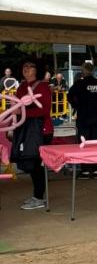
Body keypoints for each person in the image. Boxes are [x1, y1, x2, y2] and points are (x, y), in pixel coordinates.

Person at [14, 58, 53, 210]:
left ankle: (39, 197)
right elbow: (16, 108)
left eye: (31, 66)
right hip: (26, 130)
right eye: (25, 66)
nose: (27, 68)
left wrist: (22, 112)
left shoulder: (42, 86)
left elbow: (44, 110)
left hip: (41, 130)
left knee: (36, 164)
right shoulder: (22, 86)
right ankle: (38, 195)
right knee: (31, 162)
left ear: (38, 70)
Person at [67, 61, 97, 178]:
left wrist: (77, 106)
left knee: (84, 144)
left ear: (84, 70)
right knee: (95, 143)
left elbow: (69, 96)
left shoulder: (79, 84)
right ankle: (96, 169)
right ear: (93, 70)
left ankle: (86, 170)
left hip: (84, 117)